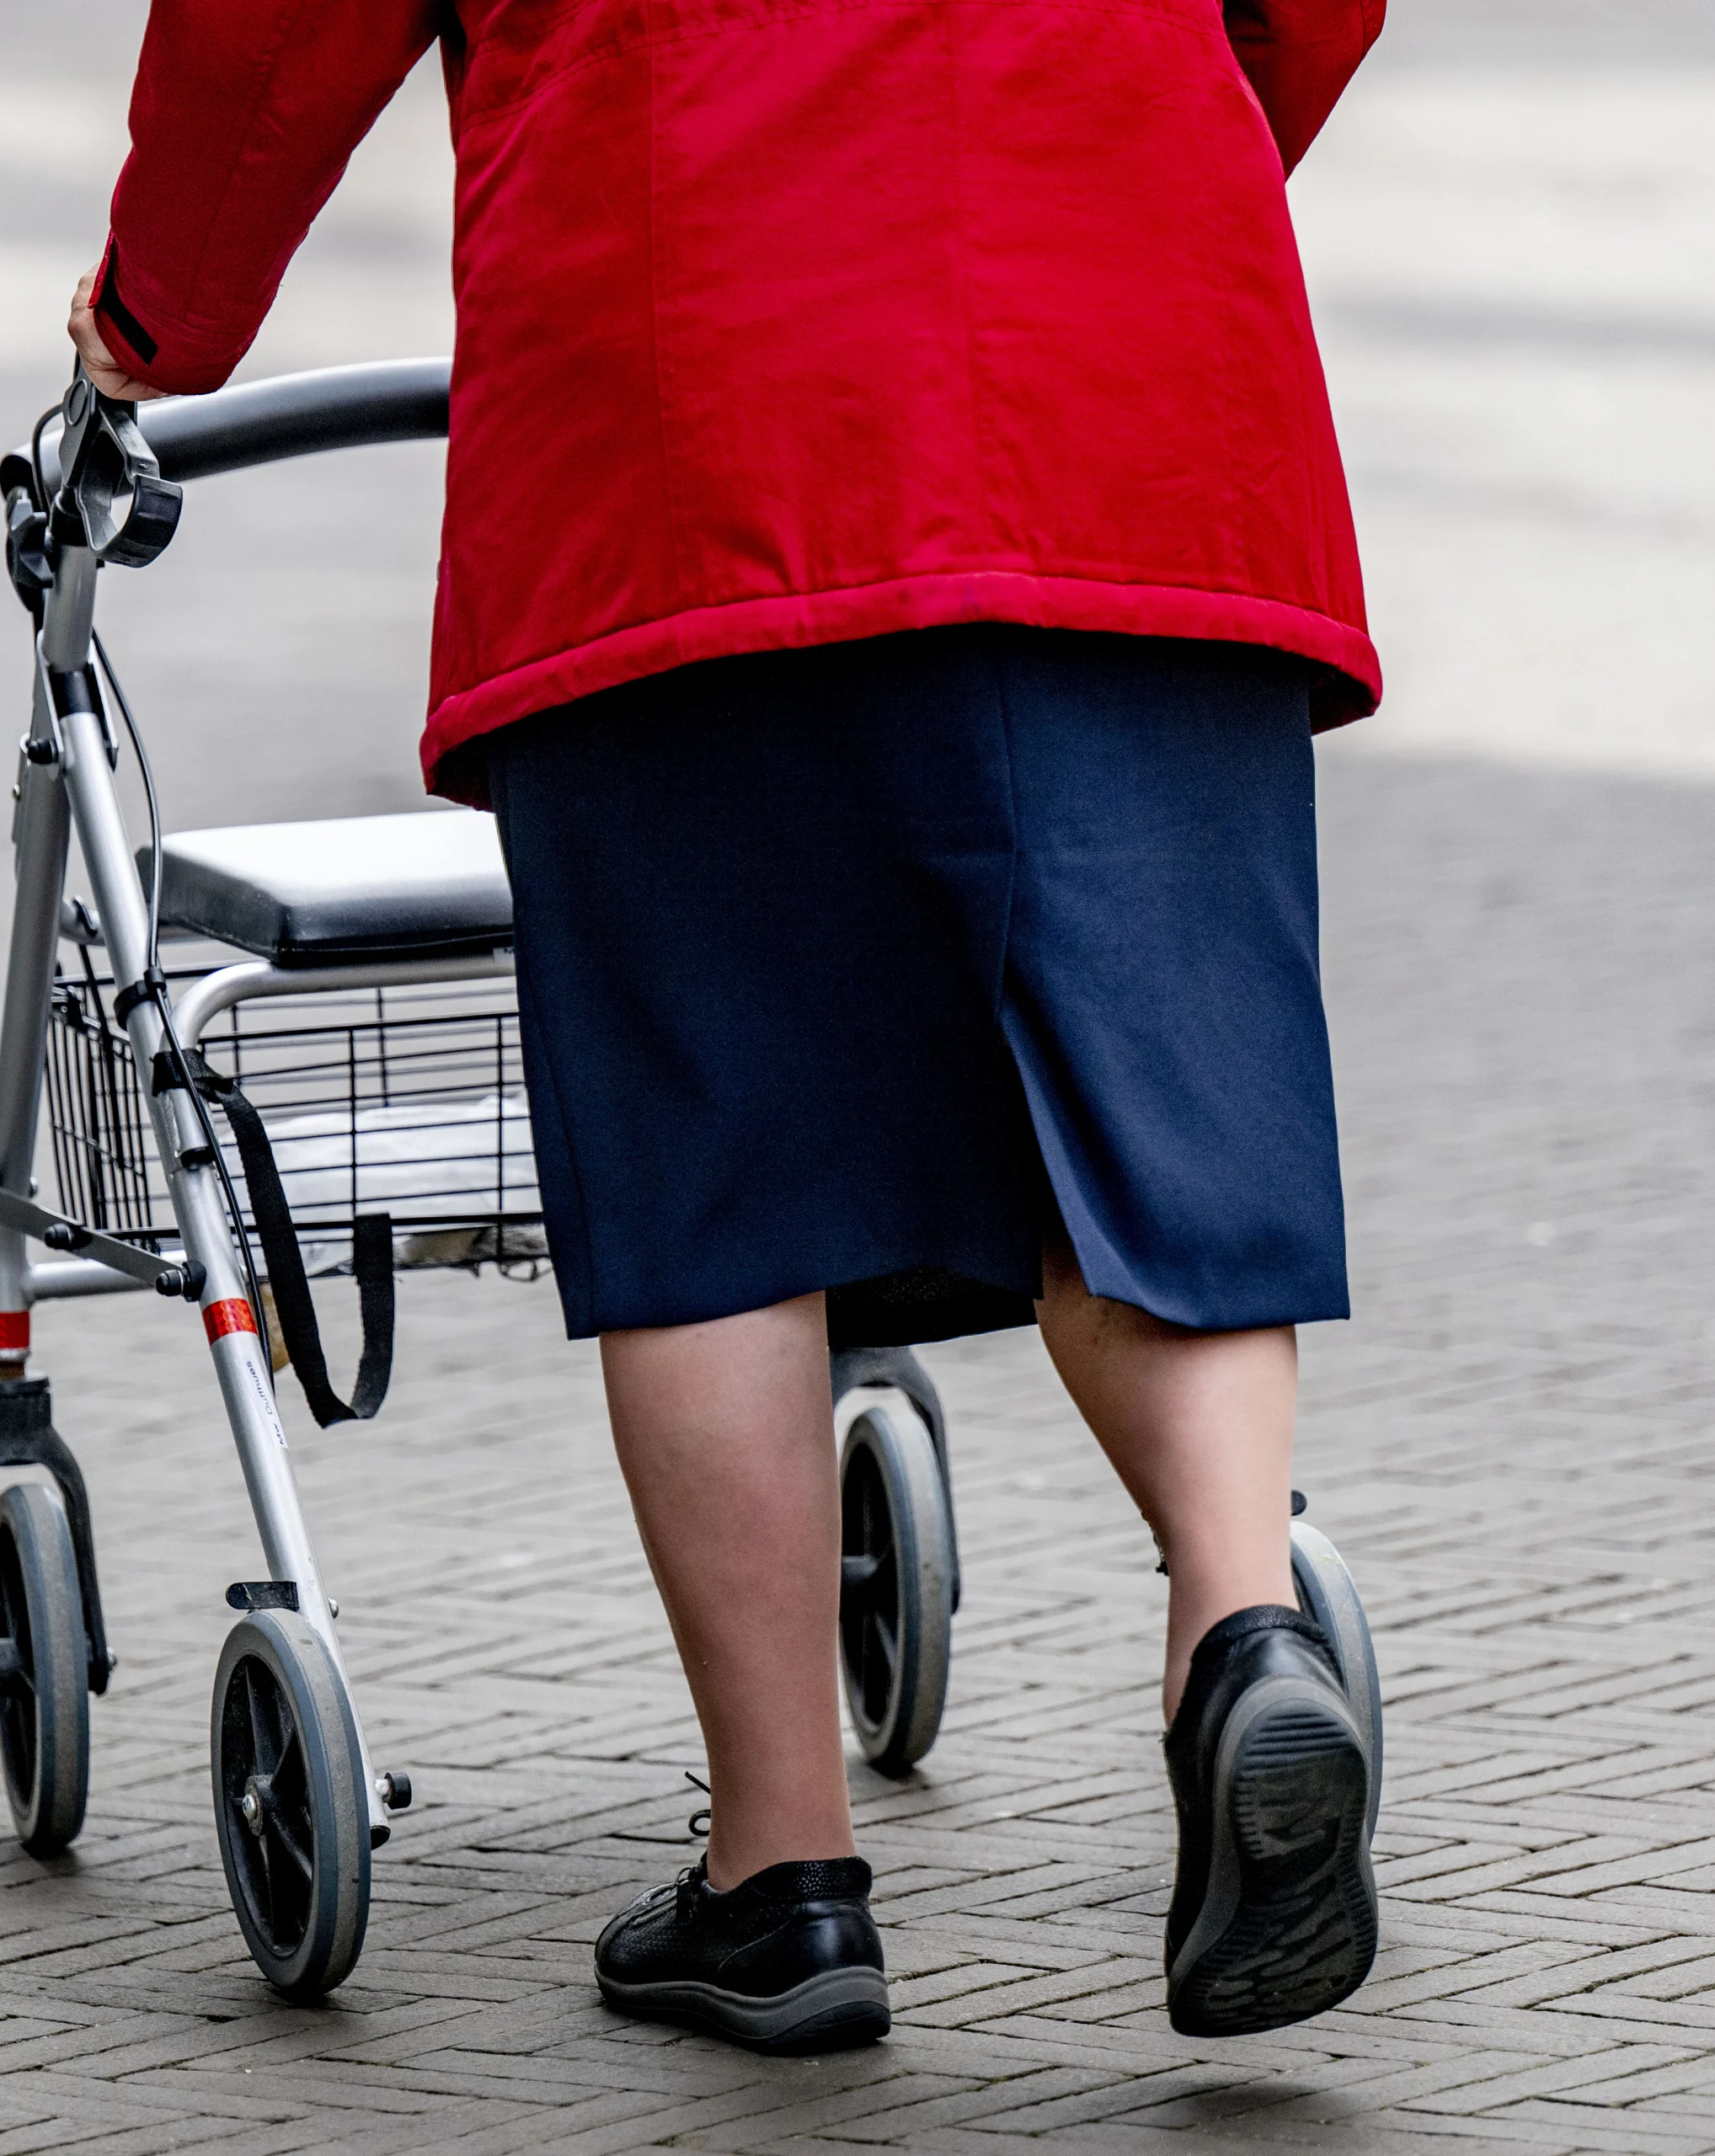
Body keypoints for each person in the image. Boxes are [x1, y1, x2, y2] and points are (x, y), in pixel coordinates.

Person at [71, 0, 1386, 2053]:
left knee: (722, 1150)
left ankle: (781, 1879)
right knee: (1149, 1094)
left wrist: (157, 315)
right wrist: (1151, 146)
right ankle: (1240, 1625)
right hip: (1127, 346)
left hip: (692, 385)